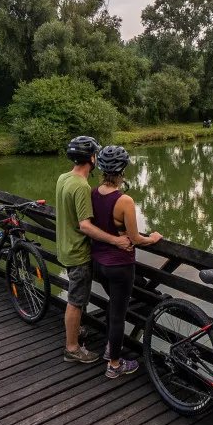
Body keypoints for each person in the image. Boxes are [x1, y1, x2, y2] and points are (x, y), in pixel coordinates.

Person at [56, 136, 133, 363]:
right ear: (91, 158)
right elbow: (85, 225)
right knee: (76, 301)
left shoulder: (64, 178)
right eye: (95, 154)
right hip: (78, 253)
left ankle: (75, 330)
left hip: (64, 247)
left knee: (75, 297)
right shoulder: (81, 186)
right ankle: (72, 348)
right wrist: (116, 240)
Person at [91, 145, 162, 377]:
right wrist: (152, 238)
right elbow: (135, 239)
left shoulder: (92, 193)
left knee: (113, 305)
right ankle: (114, 364)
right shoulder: (125, 201)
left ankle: (109, 349)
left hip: (98, 264)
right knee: (118, 314)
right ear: (123, 169)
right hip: (120, 266)